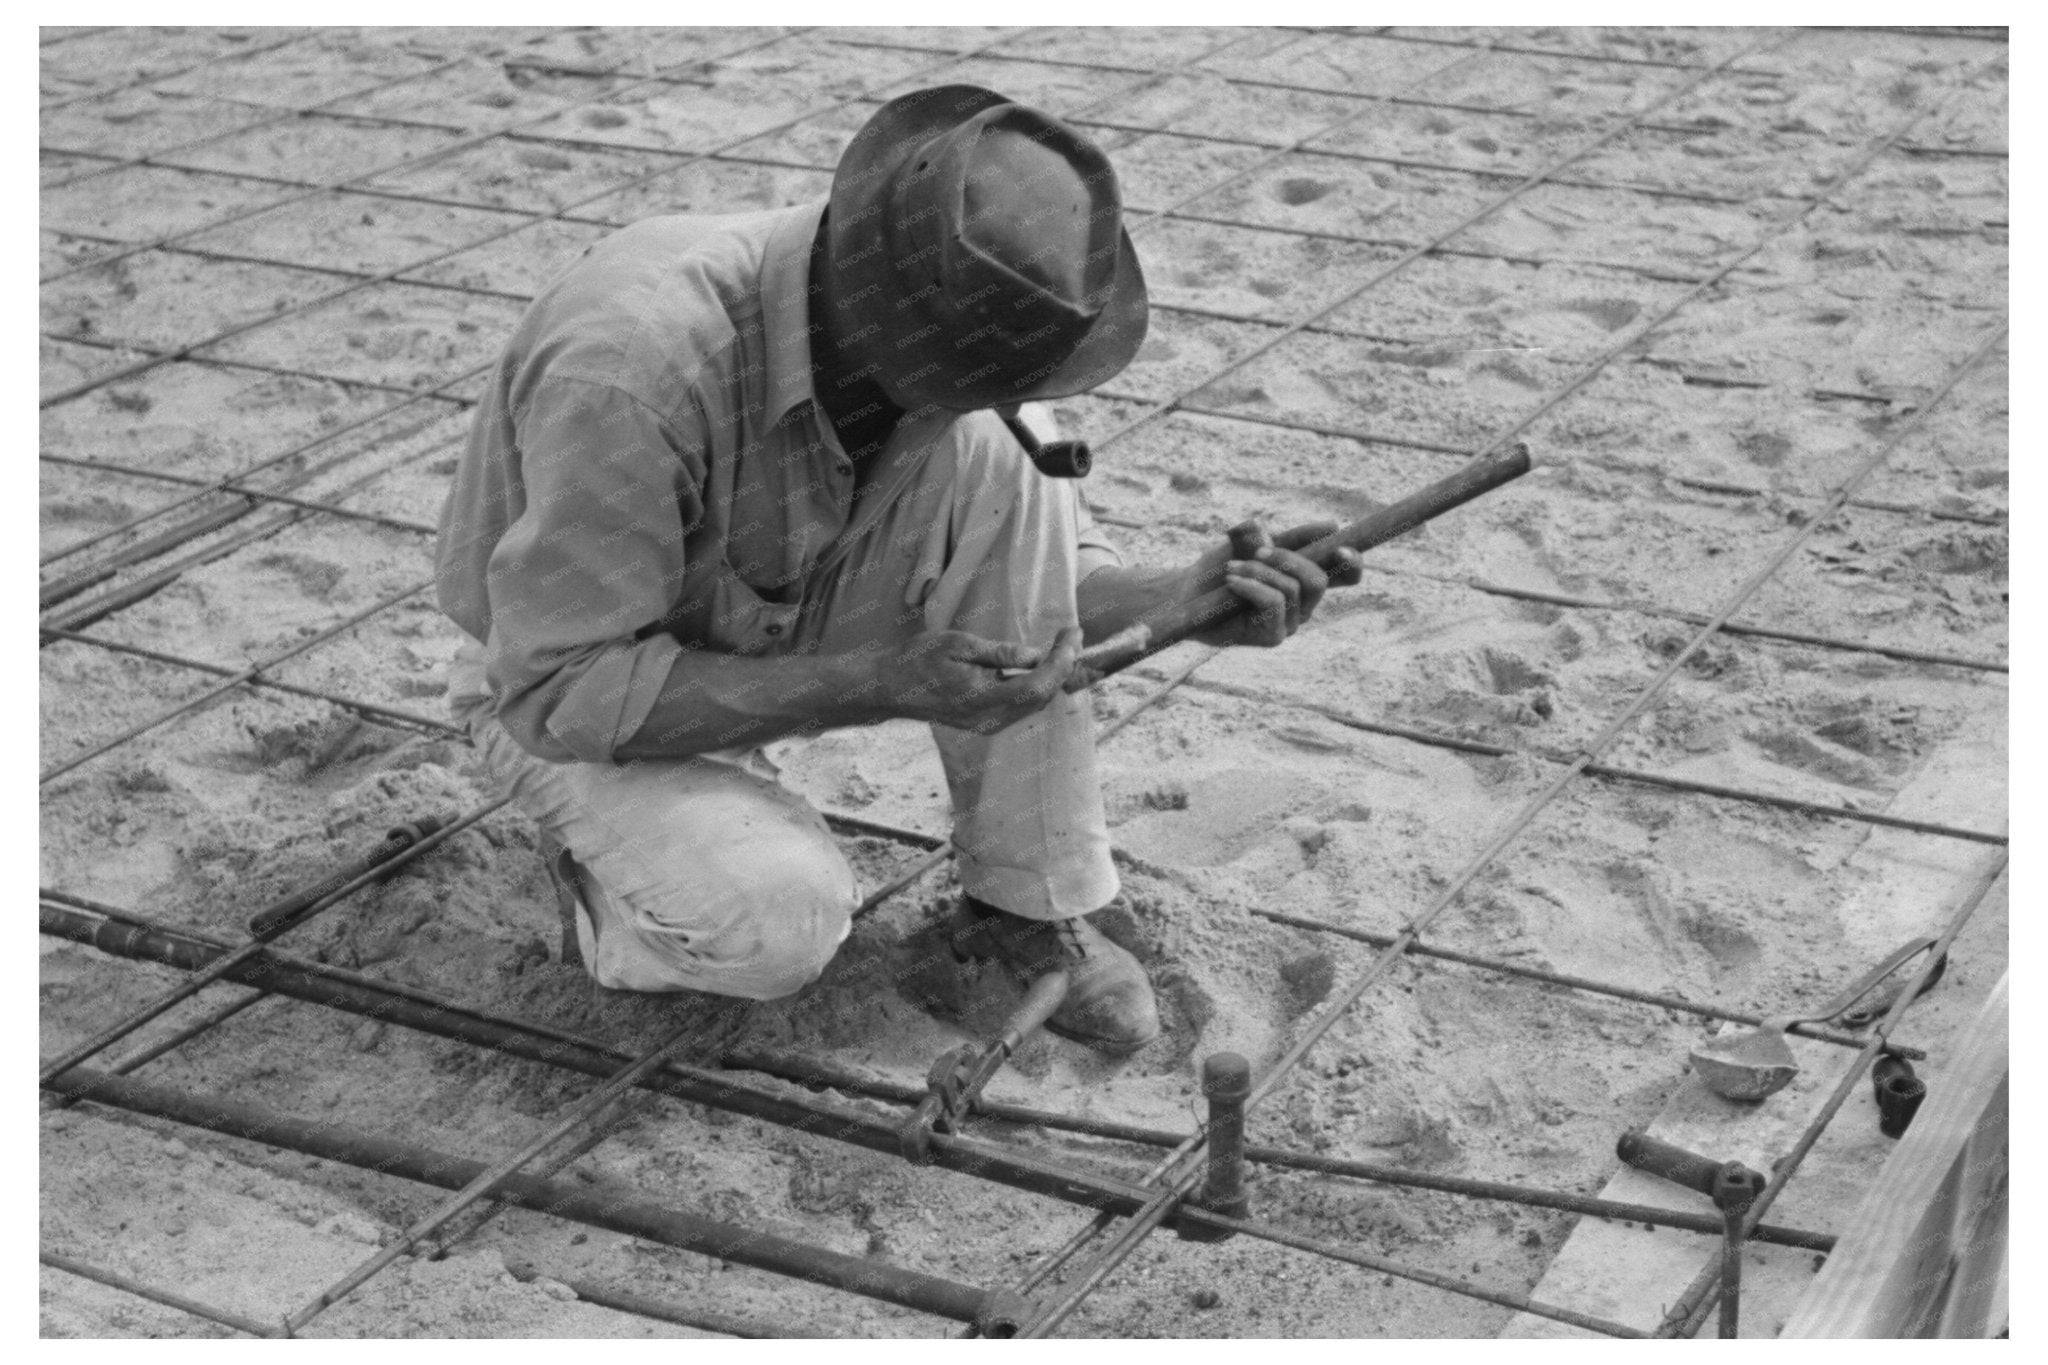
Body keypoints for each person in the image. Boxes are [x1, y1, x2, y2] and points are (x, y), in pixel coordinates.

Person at [435, 84, 1361, 1054]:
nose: (987, 397)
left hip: (755, 615)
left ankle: (1017, 906)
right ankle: (604, 899)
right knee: (770, 923)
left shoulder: (921, 339)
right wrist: (876, 680)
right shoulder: (632, 364)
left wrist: (1179, 599)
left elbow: (1034, 602)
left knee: (1015, 462)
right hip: (556, 692)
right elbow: (558, 690)